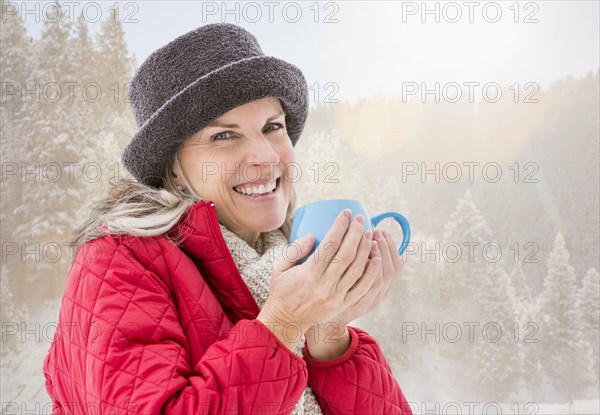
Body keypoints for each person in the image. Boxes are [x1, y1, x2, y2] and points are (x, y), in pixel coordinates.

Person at [43, 23, 412, 415]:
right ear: (173, 165)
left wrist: (328, 332)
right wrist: (284, 322)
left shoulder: (288, 262)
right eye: (223, 136)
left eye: (272, 127)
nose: (267, 157)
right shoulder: (118, 261)